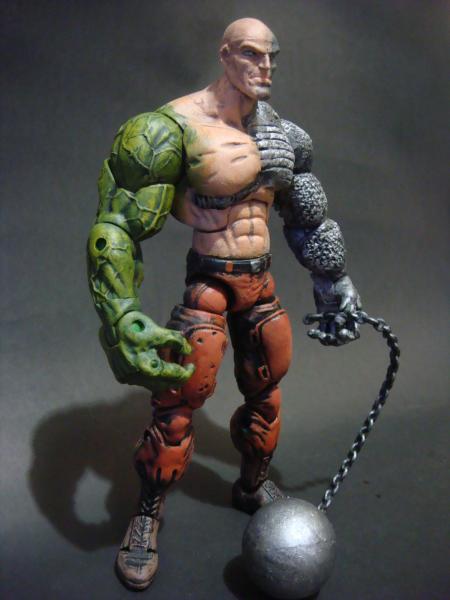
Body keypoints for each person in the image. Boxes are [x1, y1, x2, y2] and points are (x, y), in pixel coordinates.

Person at [87, 17, 361, 590]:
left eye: (272, 56)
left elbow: (308, 218)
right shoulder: (175, 128)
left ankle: (253, 484)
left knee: (268, 387)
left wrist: (333, 281)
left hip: (261, 282)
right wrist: (120, 314)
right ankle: (147, 514)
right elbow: (116, 226)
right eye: (252, 54)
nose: (265, 66)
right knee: (179, 399)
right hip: (210, 282)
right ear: (225, 54)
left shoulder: (284, 136)